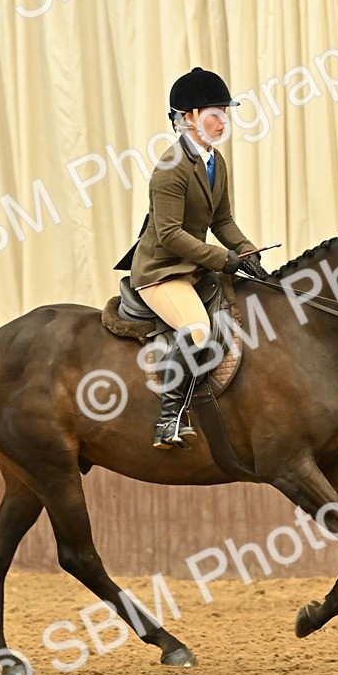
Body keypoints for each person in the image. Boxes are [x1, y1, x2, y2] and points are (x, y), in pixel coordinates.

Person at [120, 67, 266, 448]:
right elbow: (169, 234)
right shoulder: (170, 170)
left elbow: (223, 220)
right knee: (198, 329)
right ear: (189, 118)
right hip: (161, 271)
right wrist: (221, 258)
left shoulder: (216, 162)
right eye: (215, 113)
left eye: (225, 112)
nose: (223, 121)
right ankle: (169, 418)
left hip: (192, 267)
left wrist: (248, 252)